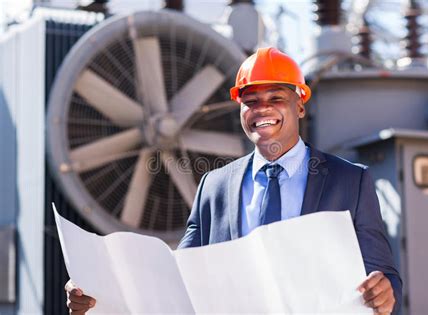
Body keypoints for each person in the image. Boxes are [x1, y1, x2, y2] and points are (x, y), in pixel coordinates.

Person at [65, 47, 402, 315]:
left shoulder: (350, 181)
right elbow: (178, 280)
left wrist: (385, 292)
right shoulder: (213, 187)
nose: (261, 109)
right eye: (251, 101)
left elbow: (386, 277)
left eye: (275, 99)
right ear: (240, 109)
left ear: (300, 106)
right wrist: (100, 295)